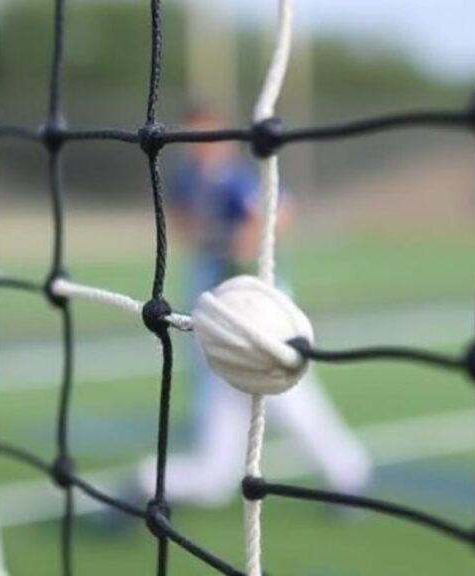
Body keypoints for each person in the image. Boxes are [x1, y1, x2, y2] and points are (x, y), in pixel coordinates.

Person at [136, 103, 371, 507]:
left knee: (294, 402)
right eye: (195, 136)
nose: (202, 147)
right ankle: (159, 484)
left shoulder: (235, 179)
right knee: (225, 426)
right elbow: (179, 218)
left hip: (259, 314)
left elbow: (279, 212)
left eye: (208, 136)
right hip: (217, 313)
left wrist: (239, 241)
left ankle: (350, 475)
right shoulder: (188, 179)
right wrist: (205, 236)